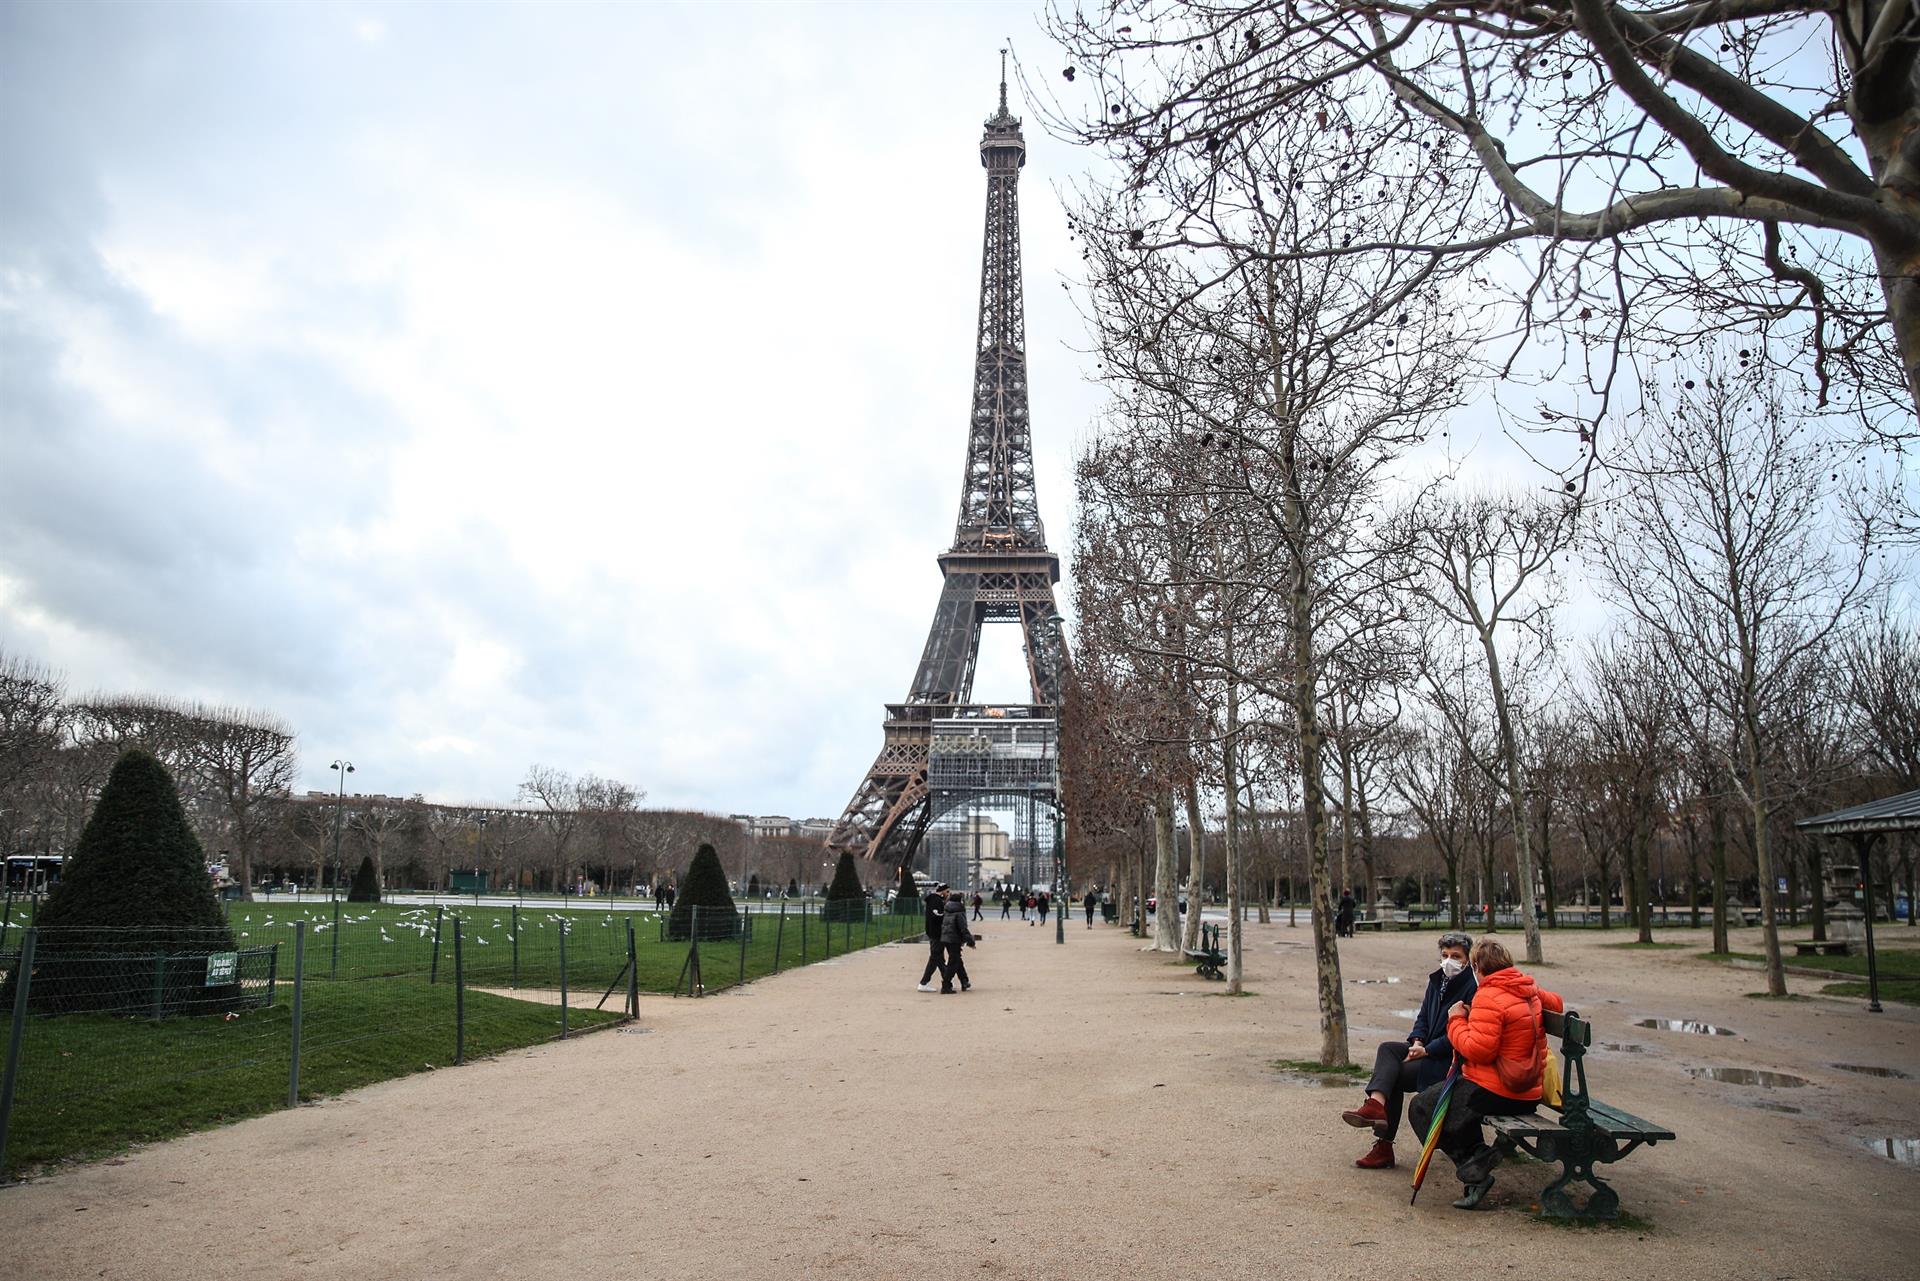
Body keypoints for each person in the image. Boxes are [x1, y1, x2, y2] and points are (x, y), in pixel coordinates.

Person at [1406, 937, 1564, 1210]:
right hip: (1529, 1090)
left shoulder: (1489, 996)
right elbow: (1558, 1005)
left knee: (1421, 1108)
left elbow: (1478, 1051)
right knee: (1446, 1104)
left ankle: (1474, 1167)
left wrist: (1456, 1019)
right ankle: (1478, 1156)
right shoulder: (1524, 986)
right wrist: (1534, 991)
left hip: (1499, 1091)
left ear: (1477, 966)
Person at [1341, 932, 1477, 1169]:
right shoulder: (1437, 981)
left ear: (1468, 959)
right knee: (1388, 1050)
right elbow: (1423, 1017)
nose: (1448, 961)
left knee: (1392, 1075)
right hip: (1426, 1050)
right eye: (1444, 955)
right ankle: (1376, 1104)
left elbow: (1461, 1034)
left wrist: (1428, 1050)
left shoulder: (1471, 988)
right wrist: (1416, 1042)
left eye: (1456, 956)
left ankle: (1383, 1142)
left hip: (1447, 1061)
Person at [939, 890, 976, 993]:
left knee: (957, 960)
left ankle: (964, 980)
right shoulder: (959, 911)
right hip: (954, 939)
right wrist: (971, 941)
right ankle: (946, 985)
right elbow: (963, 928)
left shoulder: (947, 909)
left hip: (946, 938)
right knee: (953, 962)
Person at [916, 885, 949, 993]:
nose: (948, 894)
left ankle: (947, 980)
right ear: (942, 891)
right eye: (947, 891)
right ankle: (924, 982)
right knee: (935, 957)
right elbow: (937, 916)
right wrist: (947, 916)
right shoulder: (936, 901)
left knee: (938, 957)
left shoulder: (933, 900)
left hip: (933, 932)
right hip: (936, 933)